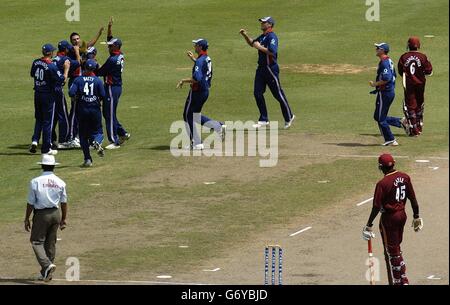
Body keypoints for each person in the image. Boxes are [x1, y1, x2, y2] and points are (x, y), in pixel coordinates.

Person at [362, 153, 423, 285]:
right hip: (402, 215)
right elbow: (413, 198)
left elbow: (376, 206)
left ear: (380, 167)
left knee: (392, 251)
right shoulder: (405, 177)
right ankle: (402, 278)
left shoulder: (382, 183)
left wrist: (369, 224)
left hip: (389, 219)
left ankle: (399, 281)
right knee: (397, 248)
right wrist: (416, 216)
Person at [239, 17, 295, 129]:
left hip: (270, 69)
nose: (262, 23)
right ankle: (264, 119)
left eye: (264, 22)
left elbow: (272, 52)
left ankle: (289, 116)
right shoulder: (263, 36)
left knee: (278, 95)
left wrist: (259, 47)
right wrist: (245, 35)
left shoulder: (272, 37)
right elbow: (253, 43)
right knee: (257, 93)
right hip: (261, 69)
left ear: (270, 25)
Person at [24, 154, 68, 282]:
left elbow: (31, 203)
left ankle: (46, 265)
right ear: (54, 167)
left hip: (42, 215)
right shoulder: (60, 182)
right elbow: (64, 202)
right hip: (56, 213)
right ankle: (46, 274)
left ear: (42, 166)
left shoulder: (35, 182)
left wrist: (27, 218)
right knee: (50, 244)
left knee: (36, 242)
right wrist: (63, 219)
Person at [177, 39, 225, 150]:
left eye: (196, 45)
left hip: (196, 92)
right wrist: (194, 59)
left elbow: (196, 78)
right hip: (204, 91)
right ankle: (218, 126)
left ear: (200, 47)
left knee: (187, 115)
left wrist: (183, 80)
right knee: (196, 116)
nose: (194, 46)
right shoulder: (206, 58)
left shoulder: (200, 61)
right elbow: (203, 67)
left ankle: (197, 142)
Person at [30, 44, 69, 155]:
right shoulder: (51, 66)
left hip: (37, 94)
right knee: (48, 122)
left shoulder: (36, 62)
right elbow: (62, 80)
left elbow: (32, 74)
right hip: (48, 96)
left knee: (39, 119)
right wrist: (66, 70)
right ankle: (46, 148)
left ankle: (35, 140)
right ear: (50, 53)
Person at [67, 28, 103, 147]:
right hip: (75, 81)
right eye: (74, 40)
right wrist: (77, 52)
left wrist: (99, 33)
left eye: (78, 39)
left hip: (82, 81)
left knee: (80, 109)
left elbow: (90, 44)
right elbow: (79, 62)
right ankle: (72, 137)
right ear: (71, 41)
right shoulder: (71, 51)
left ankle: (77, 136)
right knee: (74, 110)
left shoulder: (81, 47)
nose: (76, 41)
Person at [69, 59, 106, 167]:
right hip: (95, 109)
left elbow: (71, 92)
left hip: (82, 110)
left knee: (83, 136)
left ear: (84, 67)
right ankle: (97, 141)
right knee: (98, 131)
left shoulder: (78, 80)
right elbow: (103, 95)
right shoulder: (98, 81)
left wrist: (78, 97)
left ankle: (87, 159)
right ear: (94, 69)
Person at [97, 30, 130, 149]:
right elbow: (110, 38)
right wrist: (109, 28)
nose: (108, 47)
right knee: (108, 113)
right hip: (116, 87)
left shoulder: (112, 60)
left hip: (111, 88)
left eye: (110, 46)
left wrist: (92, 64)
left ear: (116, 46)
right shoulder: (119, 54)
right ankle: (122, 133)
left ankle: (114, 141)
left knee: (109, 114)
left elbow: (100, 72)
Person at [369, 43, 406, 146]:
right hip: (388, 92)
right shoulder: (388, 61)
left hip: (385, 93)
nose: (376, 49)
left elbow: (387, 78)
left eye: (378, 48)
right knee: (377, 116)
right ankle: (401, 122)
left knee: (381, 118)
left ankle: (390, 139)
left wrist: (375, 84)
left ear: (382, 50)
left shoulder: (384, 63)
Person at [398, 37, 433, 136]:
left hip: (409, 84)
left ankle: (414, 129)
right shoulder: (423, 56)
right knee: (419, 104)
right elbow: (429, 71)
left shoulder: (404, 57)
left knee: (410, 105)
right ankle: (419, 126)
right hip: (421, 84)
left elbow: (401, 71)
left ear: (408, 45)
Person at [53, 40, 80, 149]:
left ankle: (51, 139)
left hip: (48, 91)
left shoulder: (54, 58)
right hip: (58, 90)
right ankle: (64, 140)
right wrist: (77, 52)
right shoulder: (65, 59)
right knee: (63, 115)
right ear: (66, 50)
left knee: (52, 116)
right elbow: (79, 63)